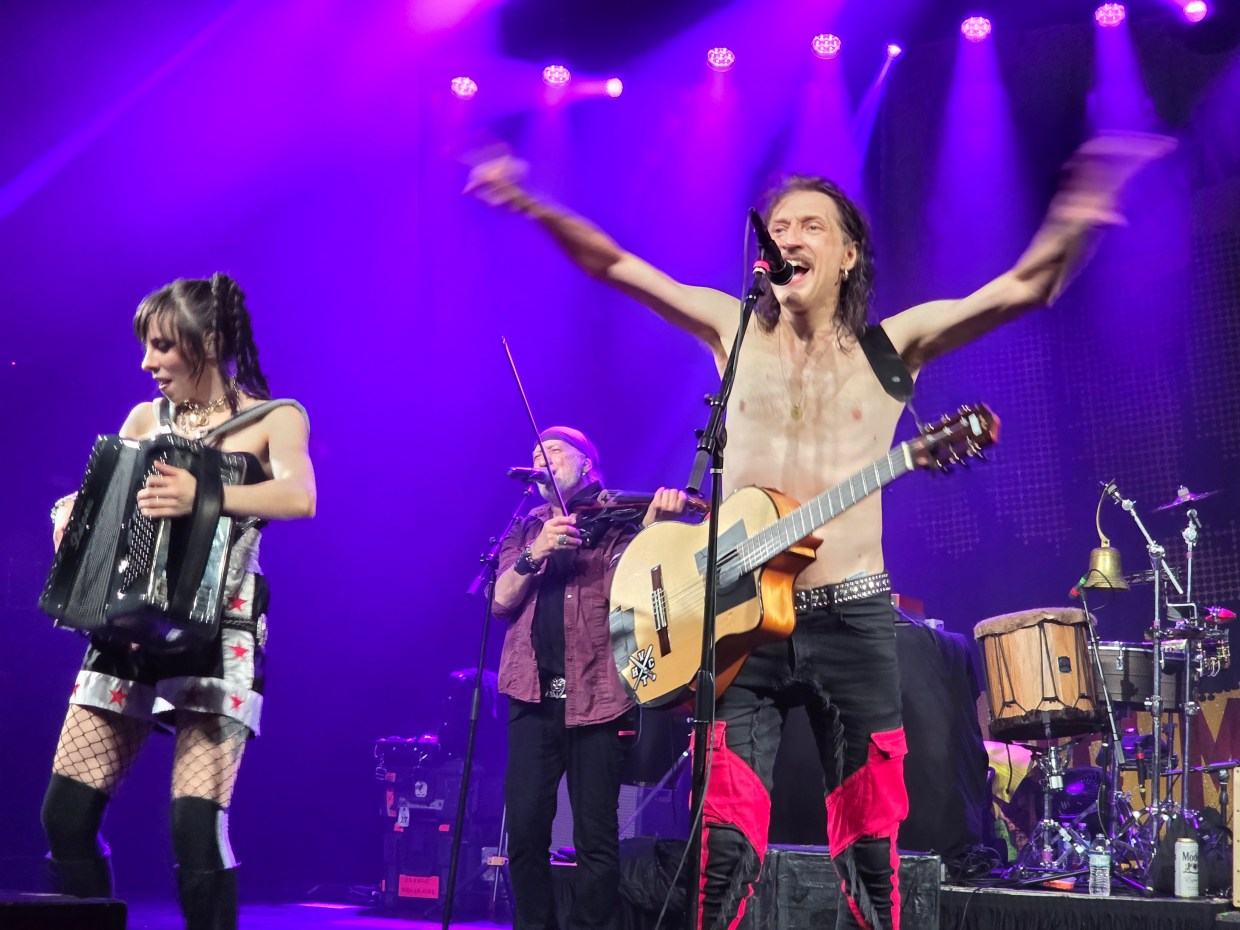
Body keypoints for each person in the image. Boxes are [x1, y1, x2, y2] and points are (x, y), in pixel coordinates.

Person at [466, 132, 1172, 930]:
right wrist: (530, 201)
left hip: (854, 614)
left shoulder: (893, 345)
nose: (787, 236)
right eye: (778, 226)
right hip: (739, 621)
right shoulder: (729, 330)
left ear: (846, 255)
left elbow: (1025, 287)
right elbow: (617, 266)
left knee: (871, 842)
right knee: (724, 844)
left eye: (809, 225)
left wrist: (1081, 210)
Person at [43, 273, 316, 930]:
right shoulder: (146, 418)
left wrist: (205, 495)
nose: (147, 362)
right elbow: (108, 500)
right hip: (129, 627)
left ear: (209, 341)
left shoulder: (275, 417)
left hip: (221, 632)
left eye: (163, 346)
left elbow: (299, 498)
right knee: (65, 816)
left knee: (194, 825)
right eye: (147, 346)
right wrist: (68, 516)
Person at [494, 426, 686, 930]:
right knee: (527, 833)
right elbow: (499, 599)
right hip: (531, 698)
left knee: (595, 839)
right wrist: (537, 549)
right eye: (534, 452)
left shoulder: (618, 520)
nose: (540, 457)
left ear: (587, 464)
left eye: (553, 450)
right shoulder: (526, 525)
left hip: (598, 698)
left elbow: (642, 589)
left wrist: (651, 531)